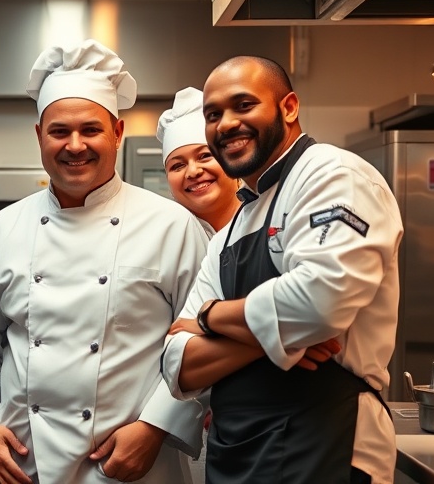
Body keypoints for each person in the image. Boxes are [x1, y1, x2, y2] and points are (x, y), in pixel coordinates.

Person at [0, 39, 210, 484]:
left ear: (117, 133)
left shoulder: (171, 225)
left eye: (91, 130)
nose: (75, 145)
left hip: (131, 469)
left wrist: (157, 426)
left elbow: (202, 344)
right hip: (22, 465)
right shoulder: (4, 227)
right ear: (38, 136)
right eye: (59, 131)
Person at [162, 56, 403, 483]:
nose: (226, 123)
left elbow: (319, 303)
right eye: (213, 115)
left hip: (325, 443)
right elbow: (177, 364)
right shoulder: (230, 231)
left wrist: (210, 316)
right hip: (237, 454)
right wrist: (278, 337)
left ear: (289, 107)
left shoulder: (331, 174)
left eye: (243, 105)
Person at [158, 87, 240, 236]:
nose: (193, 171)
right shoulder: (165, 238)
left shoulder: (269, 219)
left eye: (204, 156)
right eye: (177, 166)